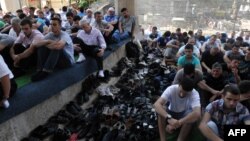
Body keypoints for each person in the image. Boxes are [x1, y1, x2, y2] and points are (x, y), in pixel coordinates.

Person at [27, 17, 75, 81]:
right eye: (51, 24)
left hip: (67, 62)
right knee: (41, 46)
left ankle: (46, 71)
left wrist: (47, 44)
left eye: (54, 25)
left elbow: (58, 46)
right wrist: (48, 41)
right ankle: (40, 70)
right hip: (57, 60)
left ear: (60, 26)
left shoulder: (64, 35)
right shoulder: (50, 34)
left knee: (57, 48)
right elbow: (36, 44)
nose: (52, 26)